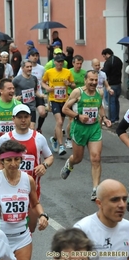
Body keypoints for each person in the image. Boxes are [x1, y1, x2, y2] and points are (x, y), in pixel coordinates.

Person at [0, 140, 48, 260]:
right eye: (9, 160)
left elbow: (35, 204)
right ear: (2, 161)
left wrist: (42, 215)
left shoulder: (28, 180)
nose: (13, 163)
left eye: (17, 159)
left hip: (22, 237)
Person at [0, 104, 53, 232]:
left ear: (30, 117)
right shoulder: (5, 138)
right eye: (20, 117)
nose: (23, 120)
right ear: (13, 119)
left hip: (31, 189)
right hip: (8, 189)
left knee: (30, 229)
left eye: (26, 117)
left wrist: (44, 165)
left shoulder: (39, 138)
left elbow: (49, 157)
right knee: (8, 226)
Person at [60, 70, 111, 201]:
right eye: (91, 80)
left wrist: (104, 118)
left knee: (96, 158)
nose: (94, 83)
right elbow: (65, 109)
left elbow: (100, 106)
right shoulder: (78, 92)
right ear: (85, 80)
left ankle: (95, 190)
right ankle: (70, 163)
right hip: (79, 129)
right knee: (78, 158)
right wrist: (78, 116)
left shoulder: (99, 92)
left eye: (96, 80)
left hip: (94, 128)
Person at [74, 179, 129, 260]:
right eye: (115, 200)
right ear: (99, 203)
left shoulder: (127, 228)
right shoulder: (82, 230)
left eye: (124, 199)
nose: (122, 205)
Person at [41, 54, 75, 156]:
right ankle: (61, 146)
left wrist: (68, 84)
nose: (60, 63)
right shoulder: (49, 72)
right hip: (54, 99)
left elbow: (73, 85)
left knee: (60, 124)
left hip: (64, 100)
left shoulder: (68, 72)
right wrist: (47, 88)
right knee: (59, 122)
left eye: (62, 62)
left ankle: (54, 138)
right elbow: (42, 82)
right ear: (54, 62)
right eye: (58, 61)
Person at [101, 48, 123, 123]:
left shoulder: (109, 61)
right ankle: (116, 118)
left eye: (104, 56)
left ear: (107, 54)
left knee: (111, 102)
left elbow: (104, 72)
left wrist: (102, 70)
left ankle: (112, 119)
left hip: (112, 84)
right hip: (118, 84)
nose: (104, 58)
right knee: (116, 101)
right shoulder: (118, 60)